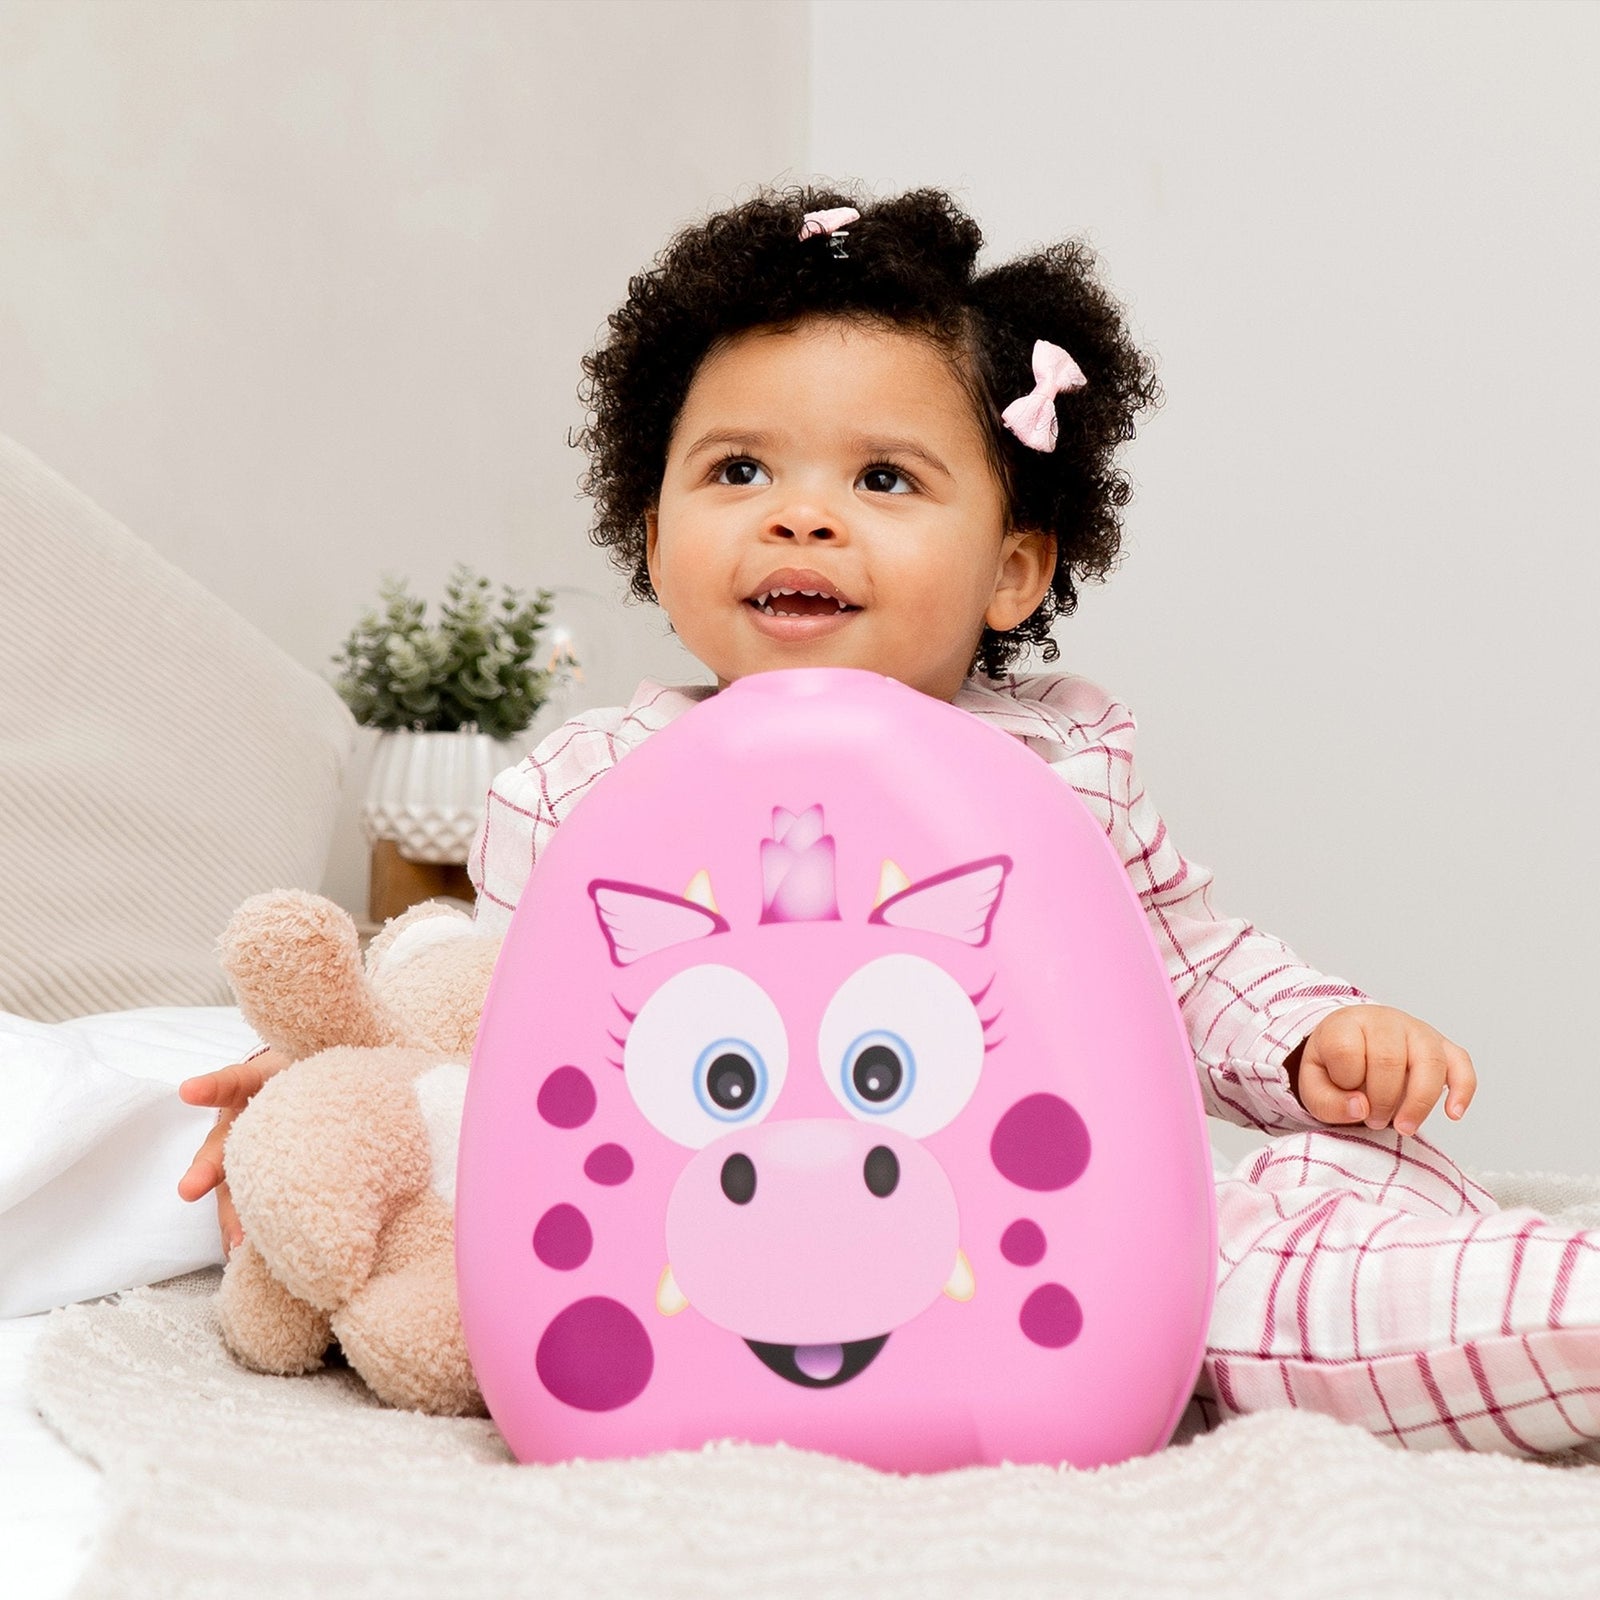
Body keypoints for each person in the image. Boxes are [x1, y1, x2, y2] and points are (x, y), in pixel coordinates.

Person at [181, 187, 1600, 1456]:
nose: (800, 518)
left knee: (1313, 1199)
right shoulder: (586, 788)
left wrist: (1311, 1040)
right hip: (694, 1247)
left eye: (882, 479)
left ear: (1012, 569)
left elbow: (1182, 962)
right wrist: (349, 1078)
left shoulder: (1056, 765)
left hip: (1031, 1245)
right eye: (739, 471)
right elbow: (493, 1032)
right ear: (652, 536)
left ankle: (1505, 1305)